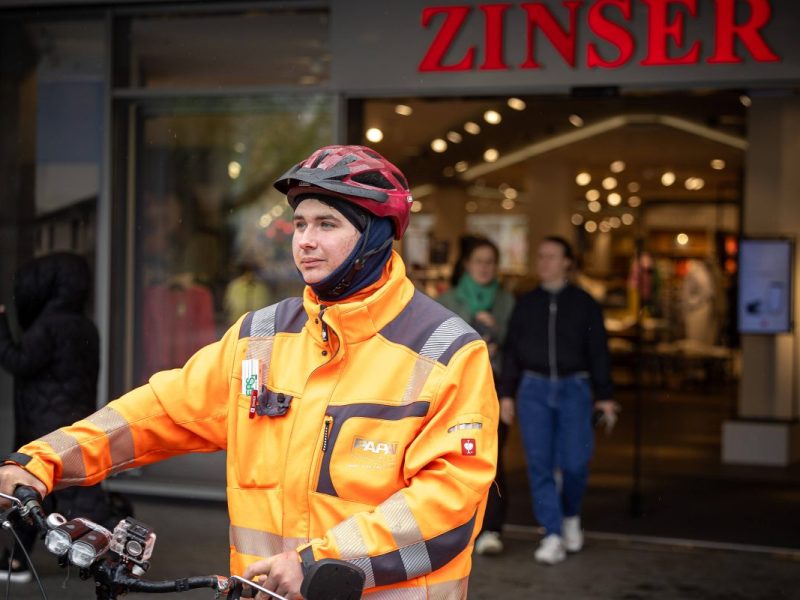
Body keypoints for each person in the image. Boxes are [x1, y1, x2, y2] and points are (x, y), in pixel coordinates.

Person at [0, 145, 498, 600]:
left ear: (375, 235)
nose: (304, 240)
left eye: (327, 224)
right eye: (300, 224)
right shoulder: (261, 335)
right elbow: (159, 411)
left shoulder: (447, 350)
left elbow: (449, 500)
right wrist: (42, 461)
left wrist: (318, 561)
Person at [499, 236, 619, 566]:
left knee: (575, 463)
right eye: (540, 257)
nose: (544, 262)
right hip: (533, 389)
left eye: (551, 257)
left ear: (568, 262)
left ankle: (570, 516)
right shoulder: (526, 303)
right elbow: (512, 352)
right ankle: (551, 533)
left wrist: (605, 395)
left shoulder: (585, 303)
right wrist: (507, 393)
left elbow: (599, 352)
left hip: (575, 388)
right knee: (539, 464)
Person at [0, 253, 110, 583]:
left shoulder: (49, 325)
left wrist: (2, 324)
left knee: (28, 486)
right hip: (74, 419)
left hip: (43, 421)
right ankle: (102, 557)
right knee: (81, 492)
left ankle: (17, 562)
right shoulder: (84, 324)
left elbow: (18, 360)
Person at [436, 236, 514, 556]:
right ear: (466, 265)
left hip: (494, 390)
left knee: (491, 460)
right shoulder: (447, 301)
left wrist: (500, 338)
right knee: (453, 459)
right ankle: (455, 527)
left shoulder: (508, 302)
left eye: (490, 262)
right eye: (479, 261)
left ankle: (491, 529)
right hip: (458, 391)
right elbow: (436, 347)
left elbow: (520, 351)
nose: (485, 267)